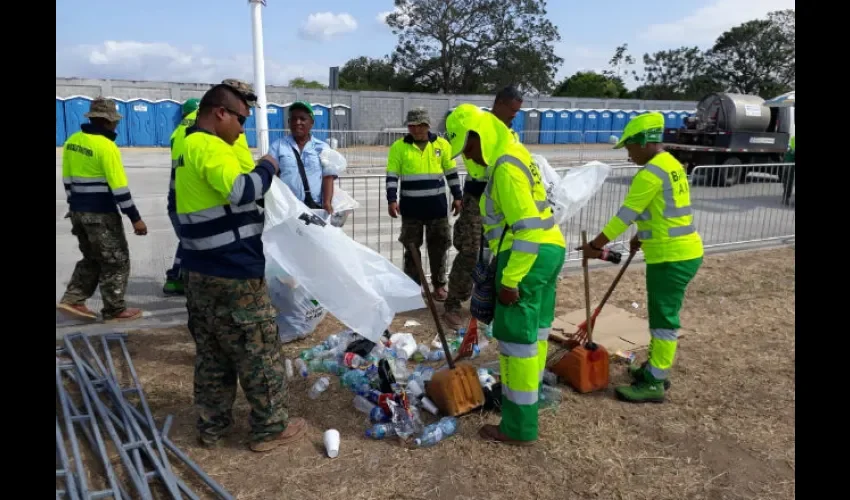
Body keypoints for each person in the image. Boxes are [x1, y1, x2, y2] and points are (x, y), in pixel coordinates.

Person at [175, 81, 307, 452]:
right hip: (233, 270)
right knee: (259, 350)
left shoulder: (186, 147)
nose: (243, 128)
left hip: (200, 269)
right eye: (241, 120)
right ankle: (270, 428)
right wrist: (266, 167)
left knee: (214, 353)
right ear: (220, 113)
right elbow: (240, 190)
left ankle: (212, 427)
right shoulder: (209, 145)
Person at [446, 103, 565, 446]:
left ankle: (518, 427)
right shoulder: (515, 154)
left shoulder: (506, 168)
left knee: (517, 346)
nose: (468, 156)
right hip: (549, 249)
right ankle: (532, 399)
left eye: (468, 146)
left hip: (526, 257)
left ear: (479, 134)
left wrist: (510, 280)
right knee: (536, 338)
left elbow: (525, 229)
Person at [579, 112, 703, 404]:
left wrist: (595, 246)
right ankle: (653, 370)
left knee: (663, 320)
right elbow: (661, 210)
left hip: (671, 257)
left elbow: (625, 215)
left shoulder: (650, 173)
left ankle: (655, 381)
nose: (629, 153)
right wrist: (641, 235)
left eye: (630, 146)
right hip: (680, 251)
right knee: (662, 316)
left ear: (646, 142)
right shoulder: (670, 164)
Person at [57, 97, 148, 322]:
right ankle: (115, 310)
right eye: (114, 121)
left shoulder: (72, 141)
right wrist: (135, 218)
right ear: (108, 122)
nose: (116, 125)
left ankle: (73, 299)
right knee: (116, 260)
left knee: (92, 257)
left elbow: (67, 180)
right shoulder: (107, 147)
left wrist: (76, 206)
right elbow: (119, 189)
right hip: (101, 214)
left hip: (78, 212)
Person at [443, 86, 524, 328]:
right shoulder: (475, 129)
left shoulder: (509, 134)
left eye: (517, 112)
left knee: (498, 254)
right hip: (476, 200)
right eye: (511, 110)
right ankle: (453, 302)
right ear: (498, 104)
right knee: (470, 251)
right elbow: (481, 165)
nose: (514, 116)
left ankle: (487, 302)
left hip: (501, 202)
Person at [387, 107, 463, 299]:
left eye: (420, 125)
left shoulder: (442, 145)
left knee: (439, 249)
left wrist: (457, 196)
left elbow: (451, 173)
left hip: (436, 209)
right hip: (411, 210)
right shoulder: (399, 147)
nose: (416, 130)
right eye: (412, 126)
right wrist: (391, 199)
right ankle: (413, 288)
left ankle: (438, 285)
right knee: (411, 250)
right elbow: (392, 175)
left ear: (427, 125)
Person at [268, 101, 337, 213]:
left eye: (302, 119)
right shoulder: (278, 146)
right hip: (287, 208)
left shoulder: (322, 147)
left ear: (311, 122)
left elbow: (328, 177)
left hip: (314, 208)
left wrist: (327, 203)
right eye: (294, 119)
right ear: (289, 122)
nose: (297, 122)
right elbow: (271, 176)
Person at [163, 98, 200, 296]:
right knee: (193, 240)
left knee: (187, 239)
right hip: (192, 193)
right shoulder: (202, 127)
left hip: (176, 190)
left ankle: (177, 277)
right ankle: (177, 278)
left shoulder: (176, 132)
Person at [781, 135, 795, 206]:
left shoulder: (793, 139)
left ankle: (785, 198)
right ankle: (786, 199)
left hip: (787, 162)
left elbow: (788, 151)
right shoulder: (793, 140)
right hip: (790, 163)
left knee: (786, 181)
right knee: (788, 181)